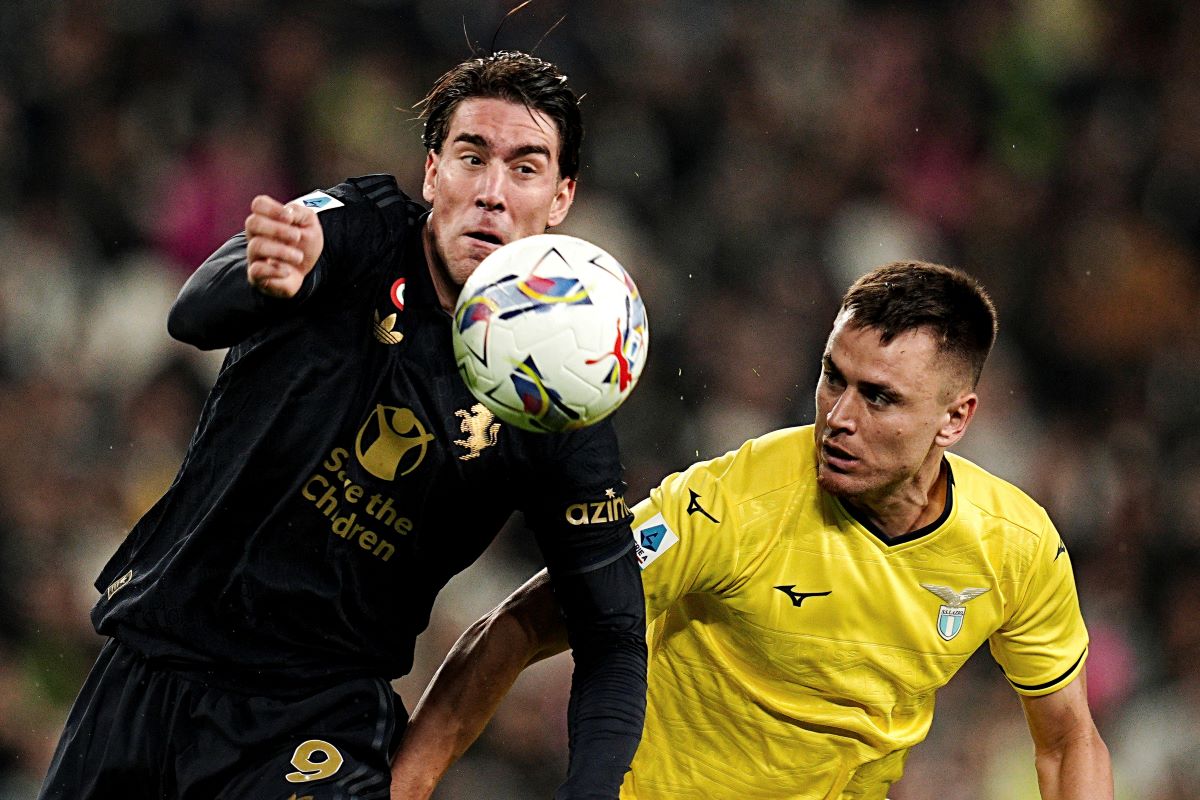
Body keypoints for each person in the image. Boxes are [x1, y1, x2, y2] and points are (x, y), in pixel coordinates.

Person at [38, 51, 647, 800]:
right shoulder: (360, 232)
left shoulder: (562, 396)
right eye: (470, 157)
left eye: (524, 169)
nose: (491, 193)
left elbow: (613, 633)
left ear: (561, 197)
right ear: (432, 174)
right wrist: (264, 278)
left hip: (312, 720)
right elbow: (193, 313)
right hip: (152, 664)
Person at [390, 261, 1114, 800]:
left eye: (880, 398)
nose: (838, 416)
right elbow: (519, 622)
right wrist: (408, 785)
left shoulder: (1014, 547)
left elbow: (1067, 740)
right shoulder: (736, 501)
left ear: (955, 419)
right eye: (834, 378)